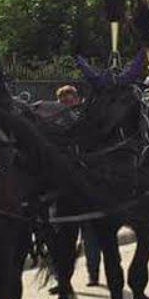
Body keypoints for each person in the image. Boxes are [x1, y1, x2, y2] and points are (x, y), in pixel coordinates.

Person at [54, 84, 102, 285]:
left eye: (69, 99)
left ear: (77, 99)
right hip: (64, 189)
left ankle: (93, 274)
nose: (66, 103)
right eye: (63, 100)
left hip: (86, 187)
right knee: (62, 240)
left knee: (90, 236)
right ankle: (62, 280)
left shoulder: (87, 118)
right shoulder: (56, 122)